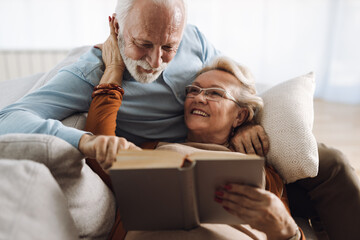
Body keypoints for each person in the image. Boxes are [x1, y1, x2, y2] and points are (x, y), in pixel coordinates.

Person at [0, 0, 358, 238]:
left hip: (232, 151)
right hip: (162, 159)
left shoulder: (194, 39)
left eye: (169, 47)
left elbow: (232, 80)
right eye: (143, 45)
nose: (156, 61)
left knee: (330, 164)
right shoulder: (91, 72)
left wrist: (247, 123)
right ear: (116, 27)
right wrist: (108, 82)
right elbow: (10, 119)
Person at [85, 33, 304, 238]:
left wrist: (286, 228)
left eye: (215, 93)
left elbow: (285, 233)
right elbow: (99, 150)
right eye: (194, 90)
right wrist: (114, 69)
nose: (199, 98)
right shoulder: (149, 150)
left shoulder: (263, 172)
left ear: (240, 116)